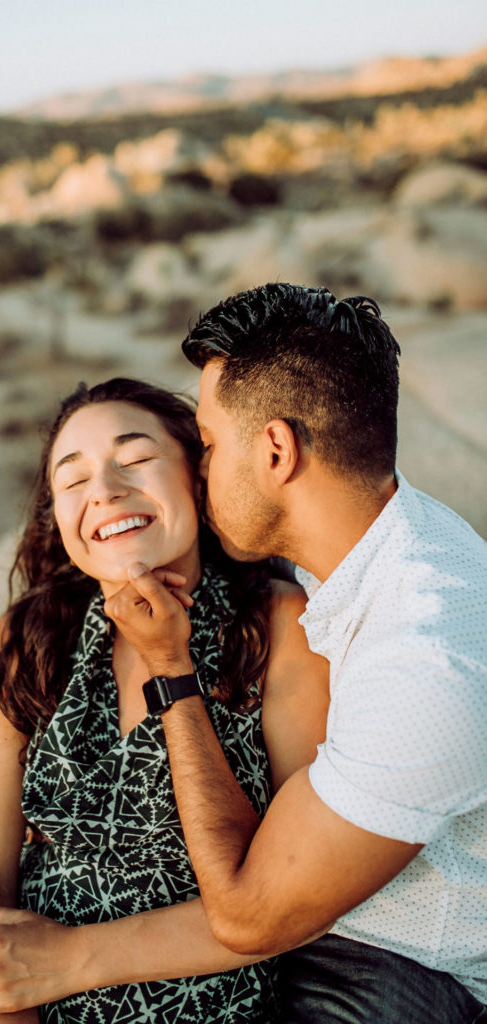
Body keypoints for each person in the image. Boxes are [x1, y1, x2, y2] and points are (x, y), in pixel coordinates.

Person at [0, 376, 329, 1024]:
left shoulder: (278, 626)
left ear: (199, 476)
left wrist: (72, 957)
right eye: (72, 479)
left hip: (198, 994)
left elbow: (292, 899)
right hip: (11, 990)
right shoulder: (25, 641)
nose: (104, 490)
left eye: (135, 459)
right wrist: (3, 1002)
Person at [103, 285, 487, 1022]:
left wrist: (170, 675)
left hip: (395, 971)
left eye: (209, 447)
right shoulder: (371, 532)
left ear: (276, 450)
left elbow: (247, 917)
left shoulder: (426, 662)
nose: (198, 470)